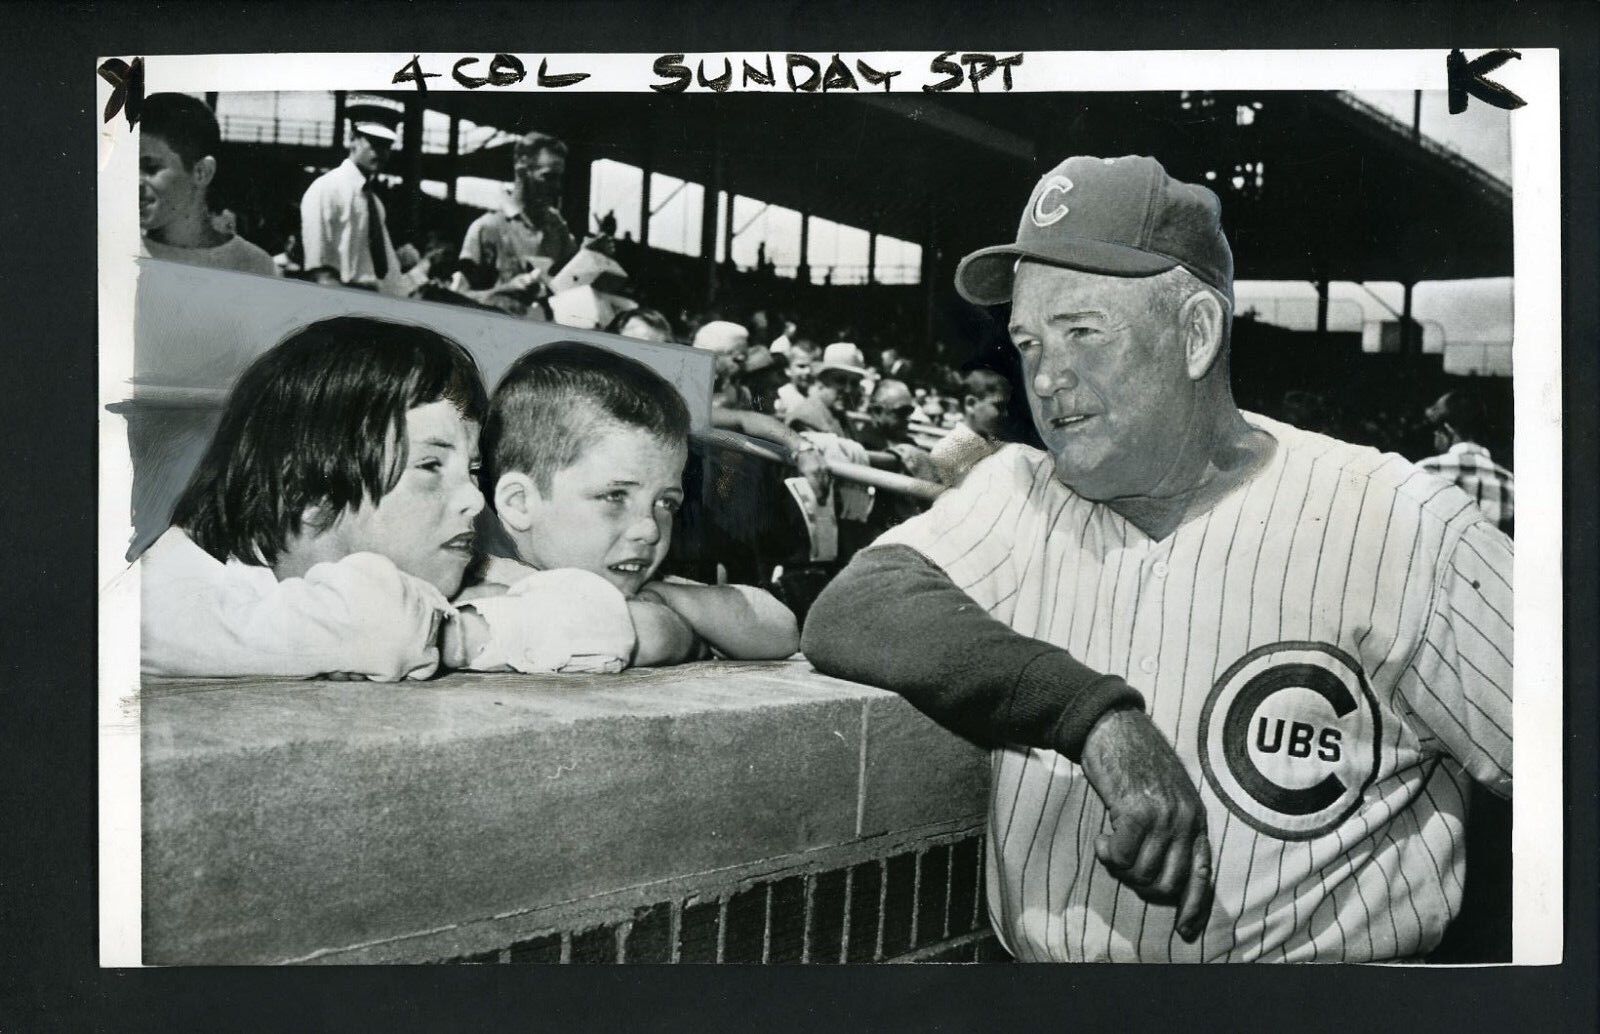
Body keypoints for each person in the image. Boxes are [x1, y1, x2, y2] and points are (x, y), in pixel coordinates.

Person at [803, 154, 1513, 963]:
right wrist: (1097, 716)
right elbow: (853, 608)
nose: (1045, 374)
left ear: (1197, 333)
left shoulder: (1401, 520)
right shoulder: (1021, 490)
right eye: (1028, 341)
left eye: (1082, 332)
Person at [140, 316, 636, 680]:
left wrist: (453, 634)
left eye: (474, 471)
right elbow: (378, 625)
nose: (475, 500)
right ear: (307, 492)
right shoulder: (166, 594)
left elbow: (603, 614)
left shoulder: (446, 567)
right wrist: (449, 630)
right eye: (429, 467)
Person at [473, 342, 799, 662]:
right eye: (615, 496)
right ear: (519, 503)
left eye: (665, 503)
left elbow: (781, 628)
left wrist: (665, 597)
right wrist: (682, 636)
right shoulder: (479, 587)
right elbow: (650, 635)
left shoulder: (634, 584)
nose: (650, 530)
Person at [138, 93, 278, 277]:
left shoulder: (253, 266)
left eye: (150, 168)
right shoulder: (113, 253)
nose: (136, 182)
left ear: (201, 172)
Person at [452, 131, 579, 316]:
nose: (557, 187)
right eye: (548, 177)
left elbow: (575, 285)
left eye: (559, 178)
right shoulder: (488, 228)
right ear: (522, 170)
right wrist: (503, 291)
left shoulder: (557, 227)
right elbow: (456, 300)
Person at [299, 97, 406, 295]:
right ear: (352, 138)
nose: (381, 152)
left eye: (387, 145)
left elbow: (390, 276)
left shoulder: (375, 202)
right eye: (374, 142)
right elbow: (319, 272)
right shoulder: (325, 189)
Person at [1419, 389, 1515, 536]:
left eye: (1435, 430)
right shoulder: (1509, 483)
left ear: (1447, 429)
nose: (1434, 436)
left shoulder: (1425, 472)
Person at [929, 365, 1013, 486]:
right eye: (999, 406)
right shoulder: (947, 452)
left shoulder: (996, 444)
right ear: (971, 404)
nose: (1005, 414)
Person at [784, 342, 867, 439]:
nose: (848, 390)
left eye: (854, 383)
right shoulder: (805, 419)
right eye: (840, 380)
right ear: (821, 381)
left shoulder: (842, 417)